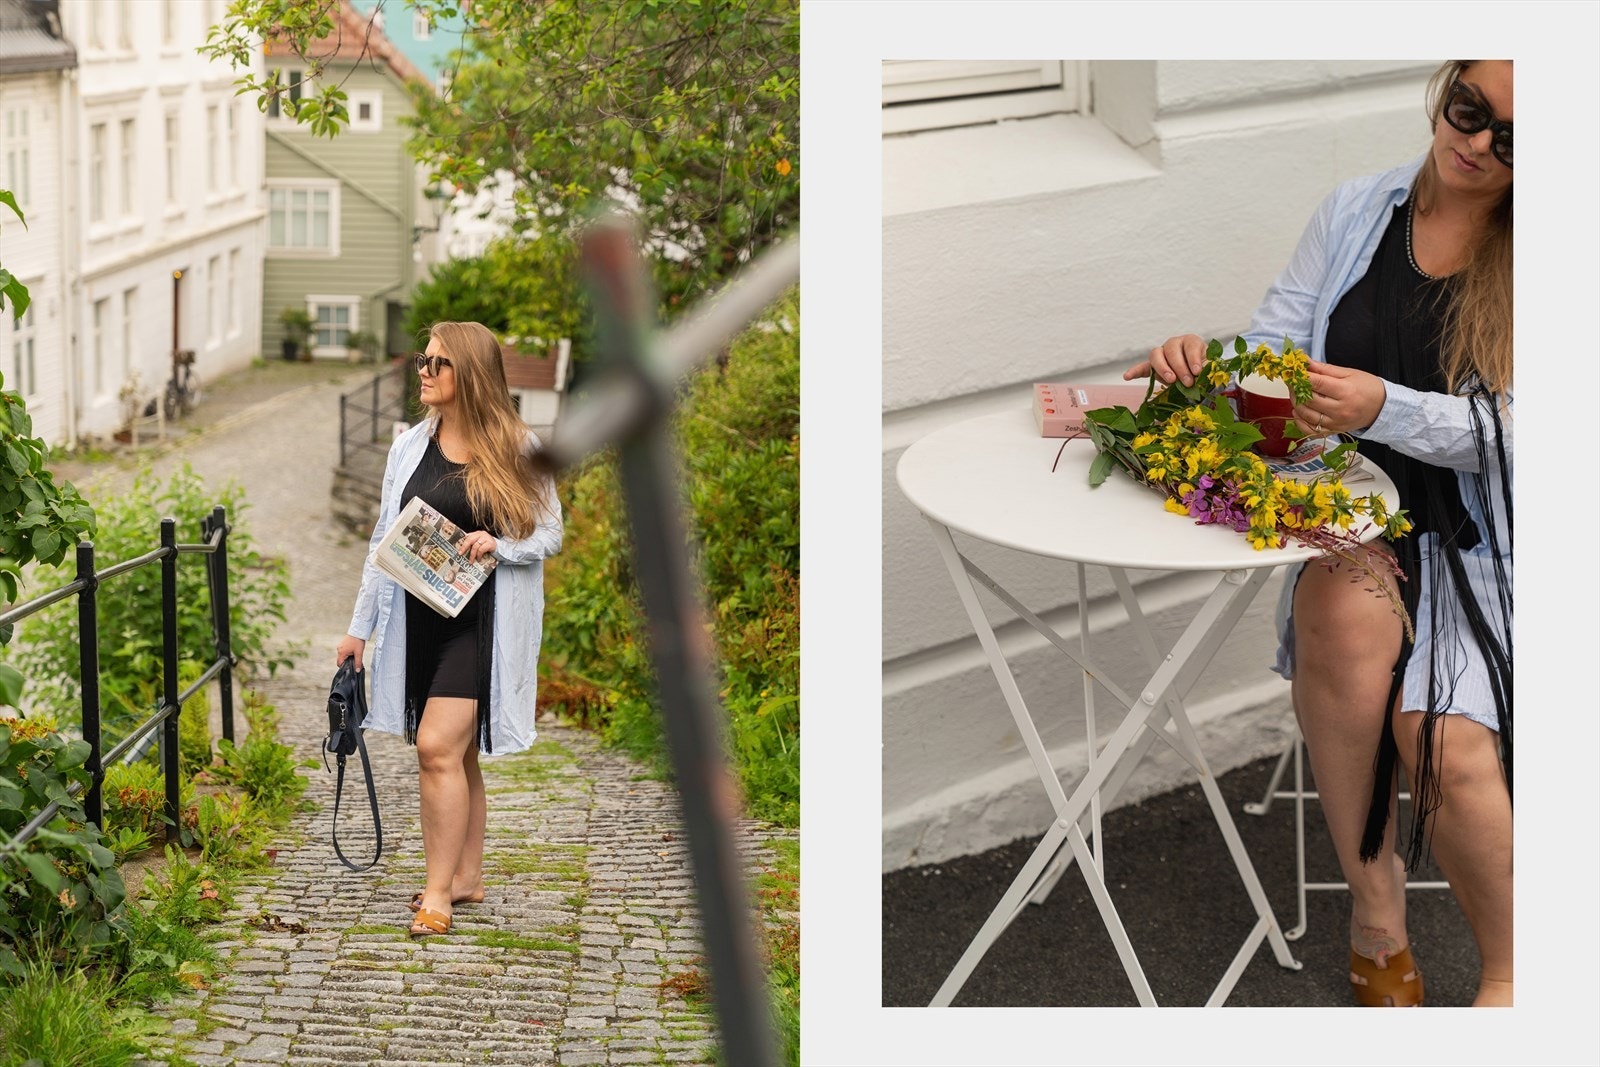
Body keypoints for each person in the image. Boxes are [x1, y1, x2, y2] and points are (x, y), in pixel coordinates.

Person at [1126, 60, 1512, 1007]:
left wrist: (1383, 406)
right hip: (1362, 519)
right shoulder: (1357, 211)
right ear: (1444, 89)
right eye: (1471, 111)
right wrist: (1210, 373)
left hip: (1495, 548)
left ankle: (1515, 971)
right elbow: (1277, 368)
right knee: (1340, 611)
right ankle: (1375, 900)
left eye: (1516, 139)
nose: (1478, 144)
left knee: (1440, 737)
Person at [336, 321, 563, 938]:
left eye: (438, 364)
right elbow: (384, 539)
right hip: (418, 619)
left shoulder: (518, 446)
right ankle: (467, 878)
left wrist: (500, 545)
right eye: (422, 361)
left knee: (436, 747)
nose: (425, 373)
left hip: (482, 625)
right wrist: (358, 631)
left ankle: (437, 894)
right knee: (457, 754)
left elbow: (549, 533)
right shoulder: (408, 445)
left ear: (471, 374)